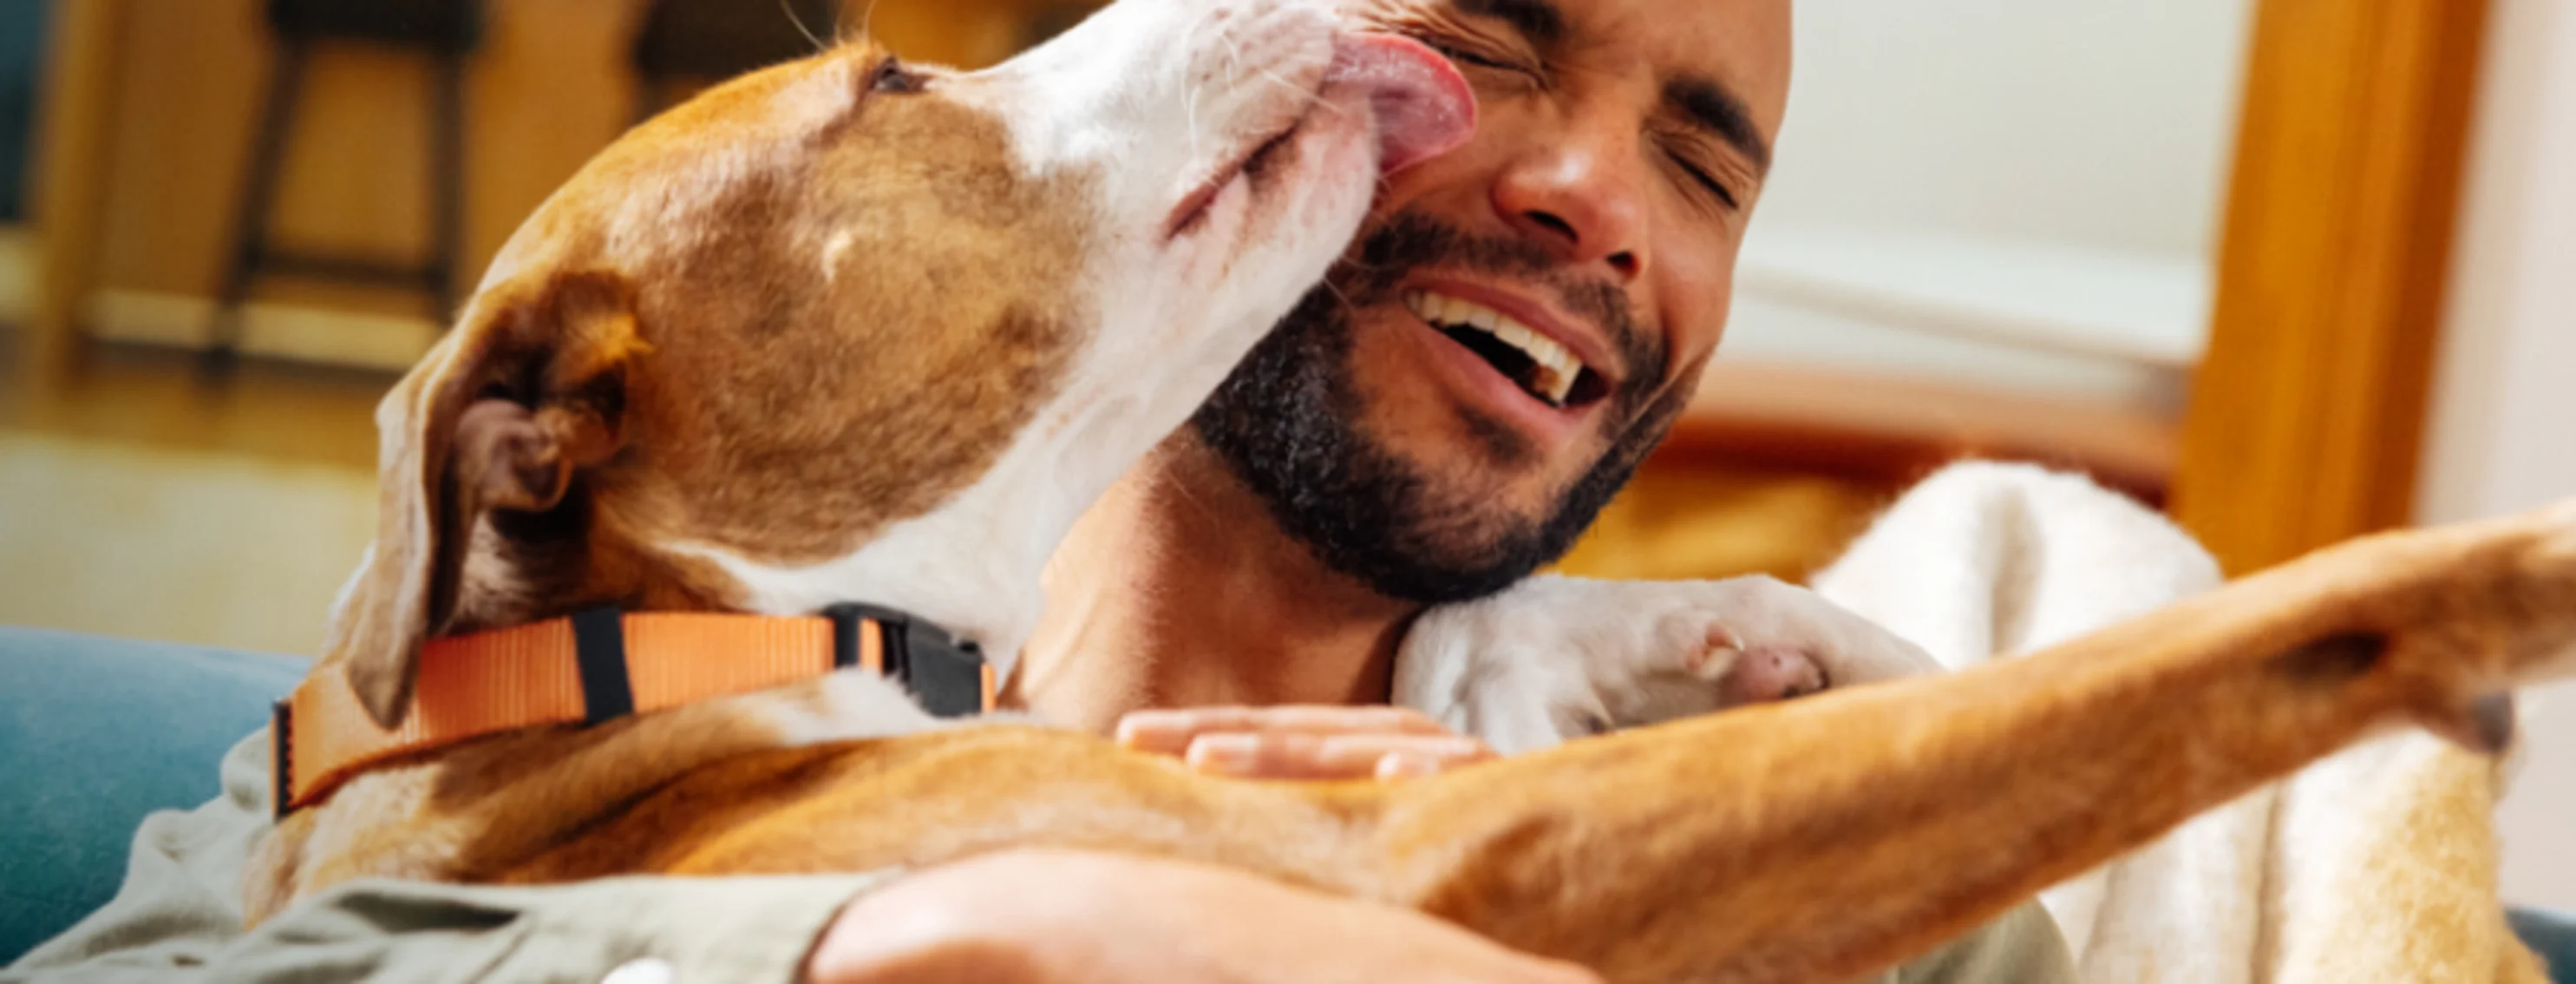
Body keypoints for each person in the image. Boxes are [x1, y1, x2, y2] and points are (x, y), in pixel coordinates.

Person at [5, 0, 2078, 980]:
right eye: (1487, 44)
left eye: (1708, 170)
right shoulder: (507, 743)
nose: (1598, 196)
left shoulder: (1804, 802)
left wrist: (1519, 892)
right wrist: (975, 910)